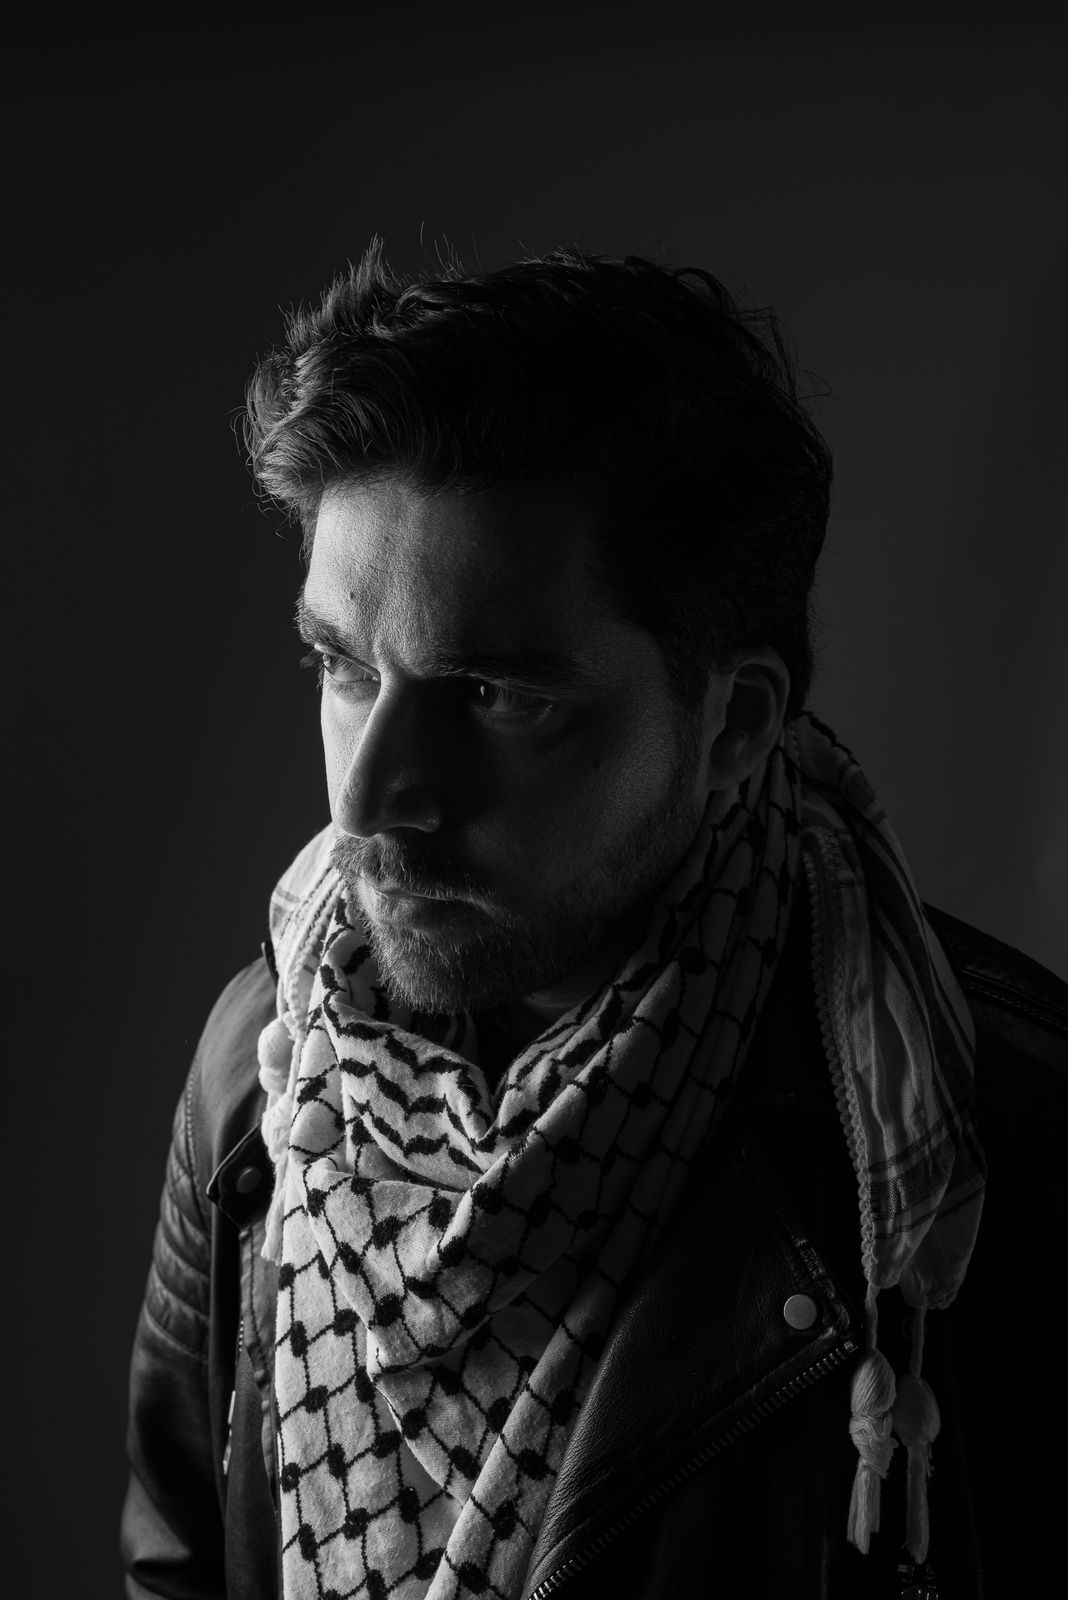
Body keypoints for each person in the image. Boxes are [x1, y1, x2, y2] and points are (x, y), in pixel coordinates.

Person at [121, 243, 1066, 1600]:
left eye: (498, 697)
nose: (374, 798)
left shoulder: (994, 1143)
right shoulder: (258, 1073)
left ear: (733, 724)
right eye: (343, 666)